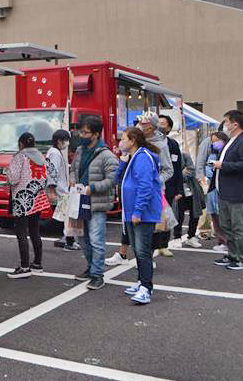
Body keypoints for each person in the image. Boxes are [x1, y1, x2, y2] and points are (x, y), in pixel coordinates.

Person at [106, 113, 174, 265]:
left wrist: (154, 182)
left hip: (147, 193)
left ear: (151, 127)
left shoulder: (160, 145)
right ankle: (124, 254)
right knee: (128, 224)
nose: (139, 125)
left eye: (143, 123)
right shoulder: (133, 143)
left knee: (147, 229)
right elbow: (121, 170)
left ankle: (146, 262)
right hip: (128, 190)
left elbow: (168, 170)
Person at [71, 116, 120, 290]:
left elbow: (113, 179)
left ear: (96, 134)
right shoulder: (79, 150)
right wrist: (72, 181)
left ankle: (98, 275)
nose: (82, 135)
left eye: (86, 132)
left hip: (96, 203)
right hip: (79, 200)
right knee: (82, 238)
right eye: (81, 131)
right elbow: (73, 169)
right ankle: (91, 268)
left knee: (96, 239)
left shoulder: (107, 155)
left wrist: (93, 187)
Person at [117, 127, 163, 304]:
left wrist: (138, 211)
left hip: (141, 213)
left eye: (123, 138)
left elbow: (145, 186)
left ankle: (146, 287)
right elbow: (118, 179)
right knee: (138, 249)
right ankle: (141, 282)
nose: (121, 142)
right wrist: (122, 161)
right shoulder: (134, 157)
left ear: (133, 140)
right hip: (132, 212)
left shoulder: (142, 157)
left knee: (143, 250)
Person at [211, 109, 243, 270]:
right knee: (227, 226)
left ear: (235, 124)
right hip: (225, 191)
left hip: (237, 193)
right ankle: (232, 255)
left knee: (239, 227)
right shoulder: (232, 140)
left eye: (227, 122)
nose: (225, 125)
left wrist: (223, 165)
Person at [6, 132, 51, 279]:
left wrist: (7, 172)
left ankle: (24, 267)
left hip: (22, 199)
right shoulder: (41, 157)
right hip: (37, 198)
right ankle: (37, 264)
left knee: (21, 232)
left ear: (21, 144)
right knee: (34, 231)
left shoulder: (20, 157)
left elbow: (13, 179)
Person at [46, 129, 81, 251]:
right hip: (60, 191)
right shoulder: (55, 153)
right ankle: (69, 242)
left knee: (65, 217)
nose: (67, 143)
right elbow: (52, 172)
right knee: (66, 218)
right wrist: (52, 190)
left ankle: (69, 241)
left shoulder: (54, 151)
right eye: (65, 141)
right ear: (59, 141)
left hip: (60, 190)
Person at [159, 115, 185, 250]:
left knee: (166, 214)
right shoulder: (147, 142)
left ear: (168, 128)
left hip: (168, 185)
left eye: (162, 124)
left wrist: (179, 189)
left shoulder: (172, 144)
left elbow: (177, 168)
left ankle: (164, 245)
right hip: (152, 185)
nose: (159, 125)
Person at [205, 131, 230, 252]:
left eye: (217, 141)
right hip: (212, 189)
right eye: (213, 141)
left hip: (222, 189)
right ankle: (221, 240)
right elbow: (209, 171)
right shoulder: (212, 155)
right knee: (215, 216)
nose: (215, 144)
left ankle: (226, 241)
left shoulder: (227, 154)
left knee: (223, 217)